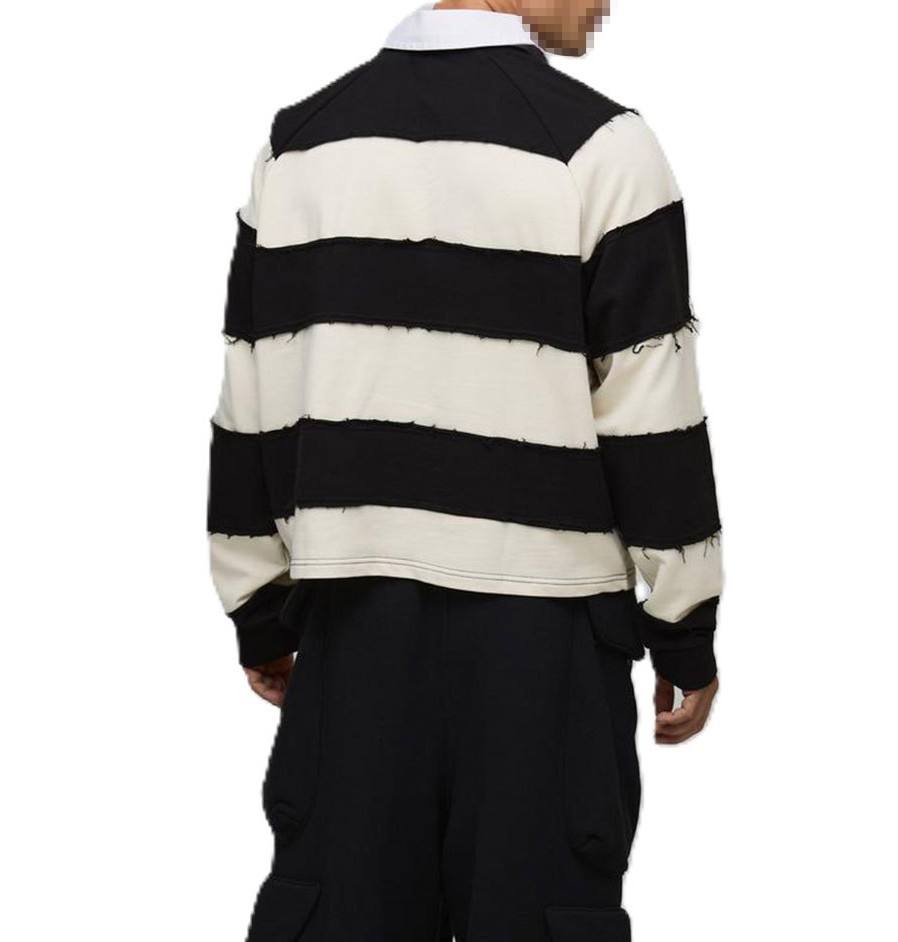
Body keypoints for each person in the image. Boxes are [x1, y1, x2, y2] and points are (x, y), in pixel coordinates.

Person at [206, 2, 724, 938]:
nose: (605, 5)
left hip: (350, 633)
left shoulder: (302, 145)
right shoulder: (603, 148)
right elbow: (652, 411)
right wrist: (684, 625)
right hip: (546, 650)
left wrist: (258, 608)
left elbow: (253, 389)